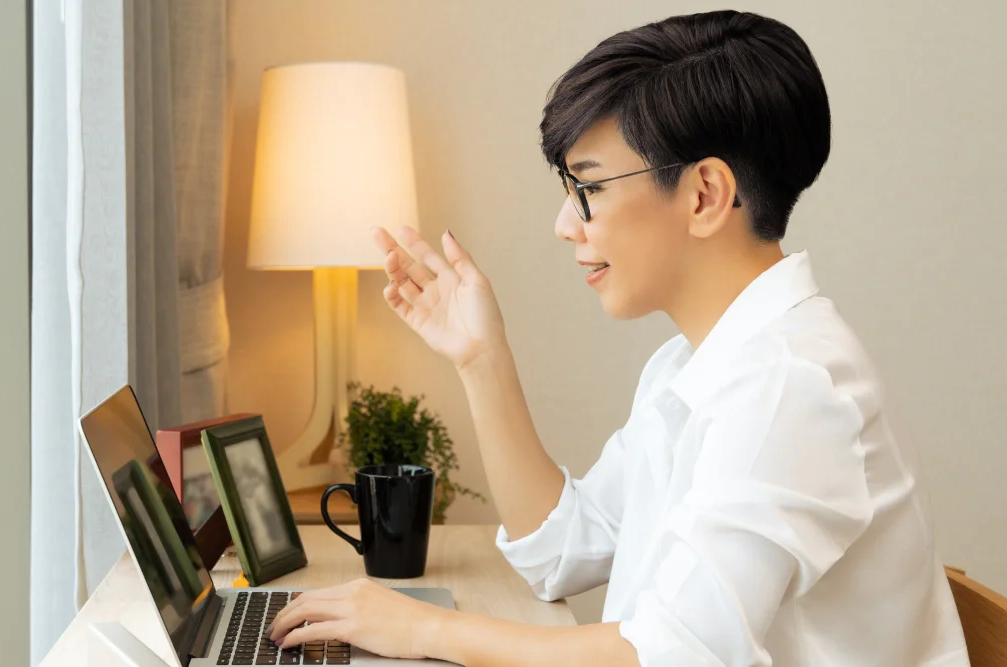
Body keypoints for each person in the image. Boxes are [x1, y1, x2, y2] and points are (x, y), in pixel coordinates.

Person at [268, 9, 970, 666]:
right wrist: (482, 360)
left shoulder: (791, 388)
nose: (565, 225)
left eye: (590, 188)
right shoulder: (695, 365)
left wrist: (420, 626)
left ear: (704, 195)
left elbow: (667, 653)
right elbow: (562, 551)